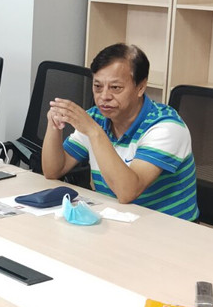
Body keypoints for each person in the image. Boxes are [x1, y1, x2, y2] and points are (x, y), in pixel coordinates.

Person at [42, 42, 198, 219]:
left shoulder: (166, 127)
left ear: (140, 87)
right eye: (97, 86)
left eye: (115, 88)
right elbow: (53, 171)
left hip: (167, 228)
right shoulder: (96, 118)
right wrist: (53, 126)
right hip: (117, 218)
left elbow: (127, 192)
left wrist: (94, 132)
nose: (104, 97)